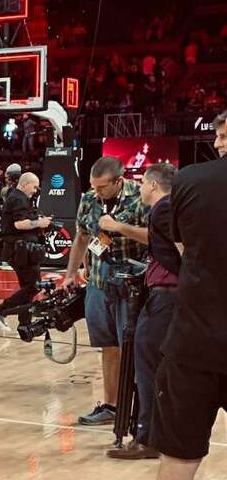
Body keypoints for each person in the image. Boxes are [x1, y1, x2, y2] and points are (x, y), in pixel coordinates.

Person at [136, 111, 227, 480]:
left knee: (179, 460)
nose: (213, 140)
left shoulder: (189, 183)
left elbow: (185, 252)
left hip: (194, 342)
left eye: (218, 133)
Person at [64, 156, 150, 427]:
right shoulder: (89, 200)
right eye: (93, 186)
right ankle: (111, 406)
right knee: (108, 347)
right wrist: (70, 273)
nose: (96, 192)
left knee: (133, 349)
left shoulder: (141, 196)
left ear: (119, 181)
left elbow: (156, 235)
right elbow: (82, 237)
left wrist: (119, 227)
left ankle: (136, 410)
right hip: (99, 284)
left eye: (102, 187)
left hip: (133, 285)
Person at [103, 162, 177, 460]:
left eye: (144, 182)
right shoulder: (172, 208)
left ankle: (148, 437)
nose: (141, 187)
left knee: (147, 363)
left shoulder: (163, 209)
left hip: (167, 297)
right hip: (168, 296)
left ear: (153, 185)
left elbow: (180, 252)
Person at [0, 172, 51, 332]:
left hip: (21, 249)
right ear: (25, 184)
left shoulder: (18, 197)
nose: (36, 190)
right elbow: (19, 224)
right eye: (34, 186)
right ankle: (2, 309)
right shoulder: (18, 198)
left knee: (28, 286)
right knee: (34, 286)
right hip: (20, 250)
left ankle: (24, 322)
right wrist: (40, 222)